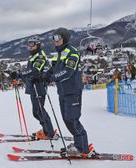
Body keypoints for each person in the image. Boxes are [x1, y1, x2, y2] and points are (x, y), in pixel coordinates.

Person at [44, 28, 95, 156]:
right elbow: (53, 69)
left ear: (64, 38)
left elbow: (68, 71)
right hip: (62, 91)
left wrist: (52, 78)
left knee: (72, 119)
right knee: (66, 119)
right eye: (53, 38)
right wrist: (44, 76)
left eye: (57, 37)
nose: (54, 40)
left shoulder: (73, 53)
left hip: (72, 91)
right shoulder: (59, 53)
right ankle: (78, 144)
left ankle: (83, 148)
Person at [10, 35, 55, 139]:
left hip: (38, 86)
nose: (29, 46)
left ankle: (49, 133)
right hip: (33, 86)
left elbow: (34, 71)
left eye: (32, 44)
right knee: (37, 111)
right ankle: (46, 130)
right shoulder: (34, 56)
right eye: (28, 44)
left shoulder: (39, 56)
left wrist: (19, 74)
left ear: (37, 45)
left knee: (39, 111)